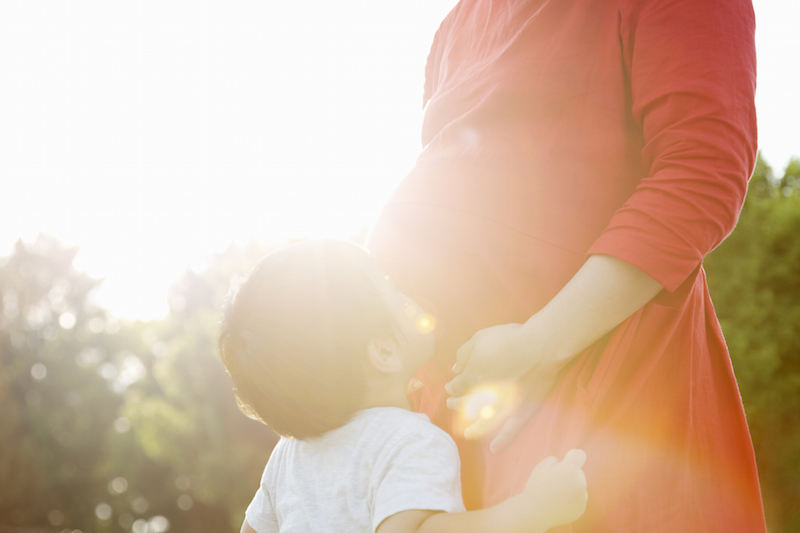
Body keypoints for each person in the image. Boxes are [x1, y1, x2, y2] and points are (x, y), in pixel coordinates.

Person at [366, 0, 767, 531]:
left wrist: (540, 345)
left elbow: (701, 170)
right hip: (455, 409)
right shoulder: (459, 21)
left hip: (597, 389)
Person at [217, 239, 588, 533]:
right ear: (383, 352)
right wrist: (532, 511)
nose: (404, 290)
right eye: (390, 287)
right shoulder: (409, 441)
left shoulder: (288, 456)